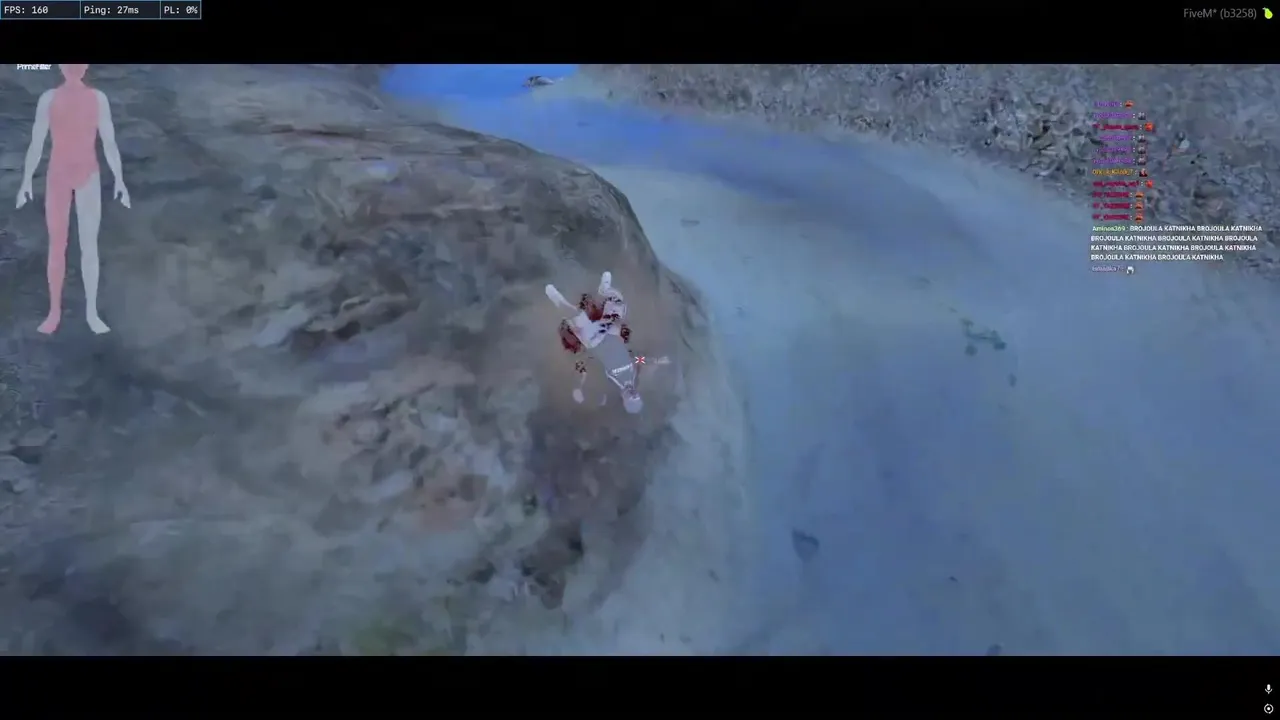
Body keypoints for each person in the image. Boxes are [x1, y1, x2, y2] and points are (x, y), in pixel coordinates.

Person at [16, 63, 130, 335]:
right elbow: (37, 142)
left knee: (87, 246)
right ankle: (54, 311)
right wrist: (26, 180)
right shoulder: (50, 99)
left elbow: (109, 142)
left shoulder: (96, 99)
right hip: (59, 176)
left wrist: (120, 179)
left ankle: (90, 312)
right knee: (59, 246)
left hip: (87, 175)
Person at [546, 271, 667, 414]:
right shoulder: (633, 376)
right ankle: (604, 290)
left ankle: (557, 299)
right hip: (610, 332)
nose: (632, 394)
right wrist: (656, 361)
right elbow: (636, 359)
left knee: (576, 317)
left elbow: (588, 373)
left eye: (630, 397)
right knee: (618, 301)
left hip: (594, 340)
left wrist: (578, 387)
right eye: (636, 396)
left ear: (624, 399)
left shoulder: (611, 384)